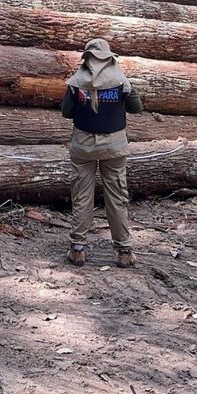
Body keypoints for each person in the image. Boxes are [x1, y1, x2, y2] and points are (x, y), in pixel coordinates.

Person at [61, 39, 143, 268]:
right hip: (114, 145)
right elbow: (137, 107)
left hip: (82, 145)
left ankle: (78, 248)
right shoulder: (120, 80)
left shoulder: (76, 82)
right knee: (117, 197)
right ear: (109, 57)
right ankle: (124, 251)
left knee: (81, 196)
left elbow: (66, 112)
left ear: (86, 58)